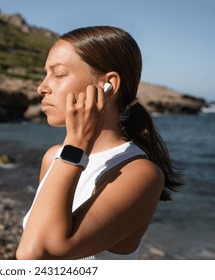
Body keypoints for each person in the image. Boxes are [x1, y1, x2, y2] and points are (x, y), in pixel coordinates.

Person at [16, 26, 182, 260]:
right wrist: (74, 147)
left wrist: (77, 143)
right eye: (45, 74)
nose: (42, 87)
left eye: (59, 74)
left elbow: (38, 252)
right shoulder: (54, 157)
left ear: (109, 85)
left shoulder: (139, 173)